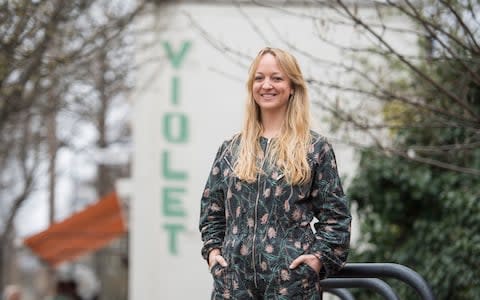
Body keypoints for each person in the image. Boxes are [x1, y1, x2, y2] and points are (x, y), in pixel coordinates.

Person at [199, 47, 352, 299]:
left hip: (291, 287)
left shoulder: (314, 148)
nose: (266, 85)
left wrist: (315, 261)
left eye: (277, 78)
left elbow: (336, 218)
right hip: (233, 287)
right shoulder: (231, 149)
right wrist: (214, 254)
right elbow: (212, 211)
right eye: (259, 78)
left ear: (292, 86)